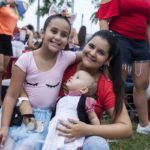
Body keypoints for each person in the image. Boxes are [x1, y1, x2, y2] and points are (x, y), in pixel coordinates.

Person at [19, 30, 133, 150]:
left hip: (80, 140)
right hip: (48, 128)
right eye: (91, 46)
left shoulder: (105, 85)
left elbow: (126, 128)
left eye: (100, 52)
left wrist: (85, 129)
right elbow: (27, 80)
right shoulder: (64, 64)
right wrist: (24, 102)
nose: (92, 53)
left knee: (98, 144)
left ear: (107, 60)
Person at [0, 14, 81, 150]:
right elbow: (11, 95)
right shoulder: (26, 59)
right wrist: (4, 126)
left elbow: (88, 54)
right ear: (43, 32)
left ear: (68, 39)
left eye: (63, 35)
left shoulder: (66, 57)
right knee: (6, 144)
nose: (57, 37)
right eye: (53, 31)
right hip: (19, 113)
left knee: (27, 146)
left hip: (42, 120)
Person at [96, 0, 150, 134]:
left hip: (141, 43)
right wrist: (107, 44)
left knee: (142, 83)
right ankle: (116, 122)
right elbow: (103, 18)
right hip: (120, 39)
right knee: (118, 82)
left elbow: (148, 24)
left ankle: (144, 125)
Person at [42, 70, 99, 150]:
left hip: (72, 132)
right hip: (55, 132)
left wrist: (97, 130)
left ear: (83, 89)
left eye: (77, 77)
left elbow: (93, 117)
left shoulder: (84, 101)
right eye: (73, 75)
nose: (72, 76)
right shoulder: (60, 99)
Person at [0, 1, 19, 106]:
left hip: (8, 39)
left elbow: (11, 26)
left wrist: (20, 30)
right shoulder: (3, 3)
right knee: (0, 69)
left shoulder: (14, 9)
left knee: (2, 73)